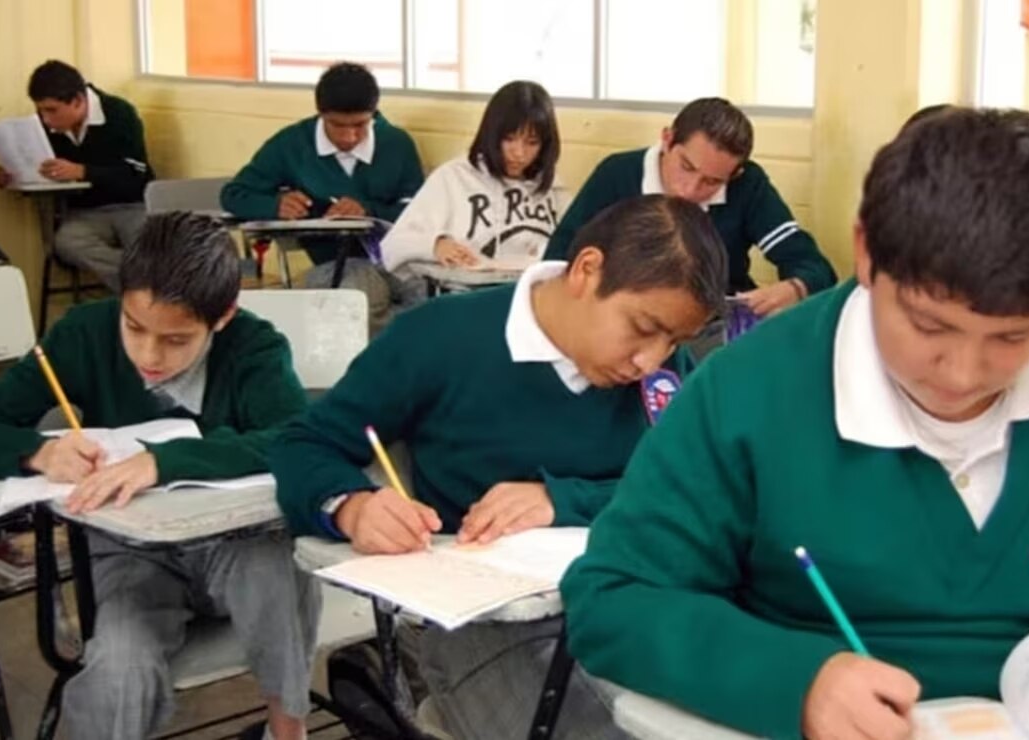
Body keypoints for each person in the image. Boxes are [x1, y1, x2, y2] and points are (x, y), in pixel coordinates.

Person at [561, 107, 1029, 739]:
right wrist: (794, 682)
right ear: (866, 252)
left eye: (1015, 337)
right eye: (929, 326)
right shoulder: (749, 389)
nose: (963, 375)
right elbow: (614, 597)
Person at [272, 195, 727, 739]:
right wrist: (352, 507)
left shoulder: (664, 374)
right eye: (642, 327)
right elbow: (304, 443)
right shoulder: (439, 337)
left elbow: (698, 495)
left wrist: (562, 500)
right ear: (587, 269)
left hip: (636, 606)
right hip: (487, 626)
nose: (650, 360)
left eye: (674, 340)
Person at [0, 213, 316, 740]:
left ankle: (287, 728)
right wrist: (36, 454)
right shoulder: (84, 333)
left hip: (237, 540)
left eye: (177, 340)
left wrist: (161, 462)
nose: (148, 355)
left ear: (223, 317)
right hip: (131, 552)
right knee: (120, 664)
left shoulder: (255, 346)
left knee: (273, 568)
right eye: (134, 328)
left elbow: (291, 436)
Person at [544, 97, 835, 321]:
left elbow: (815, 268)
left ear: (734, 175)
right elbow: (558, 257)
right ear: (667, 139)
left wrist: (794, 288)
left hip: (711, 330)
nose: (690, 190)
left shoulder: (748, 186)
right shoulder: (618, 174)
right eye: (686, 167)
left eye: (712, 182)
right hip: (627, 323)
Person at [222, 61, 424, 335]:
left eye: (360, 125)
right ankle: (380, 366)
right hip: (334, 262)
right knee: (360, 298)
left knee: (433, 296)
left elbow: (417, 208)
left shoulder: (397, 143)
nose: (349, 136)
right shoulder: (292, 144)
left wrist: (368, 209)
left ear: (373, 114)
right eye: (337, 125)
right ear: (320, 114)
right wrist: (275, 206)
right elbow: (234, 194)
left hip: (396, 258)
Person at [0, 60, 153, 290]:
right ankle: (141, 281)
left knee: (149, 244)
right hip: (85, 211)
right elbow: (39, 165)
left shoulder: (119, 114)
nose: (46, 119)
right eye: (41, 111)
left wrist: (83, 171)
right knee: (68, 243)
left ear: (78, 101)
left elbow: (136, 175)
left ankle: (142, 287)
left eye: (52, 110)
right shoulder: (44, 127)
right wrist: (12, 175)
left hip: (131, 205)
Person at [381, 80, 560, 275]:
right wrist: (436, 245)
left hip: (532, 293)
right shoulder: (453, 178)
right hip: (464, 294)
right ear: (491, 135)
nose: (519, 153)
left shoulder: (552, 187)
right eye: (509, 139)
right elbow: (392, 246)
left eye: (532, 143)